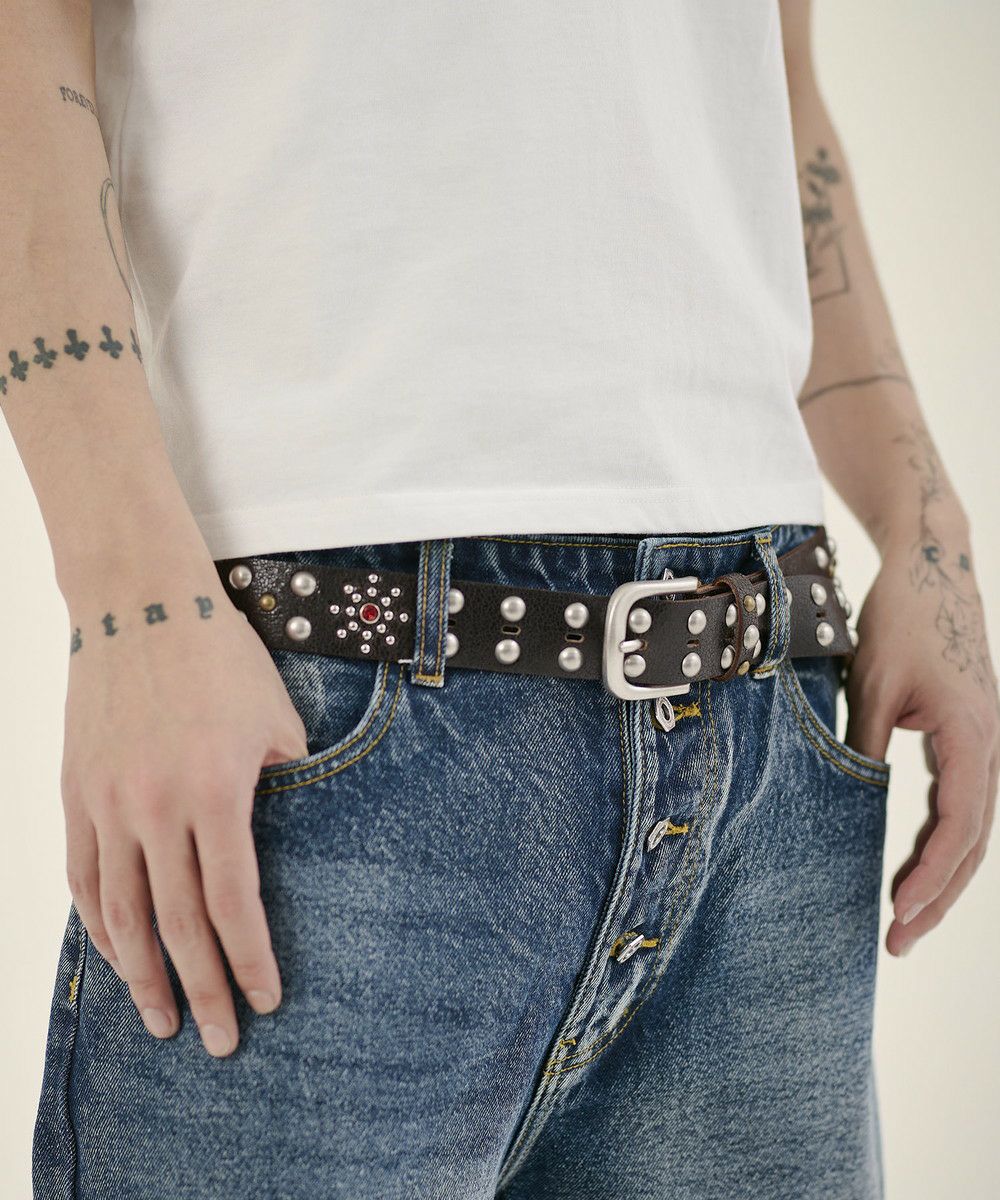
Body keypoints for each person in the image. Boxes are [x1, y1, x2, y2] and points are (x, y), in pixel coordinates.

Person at [6, 2, 996, 1197]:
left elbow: (772, 81)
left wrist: (928, 530)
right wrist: (128, 594)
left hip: (763, 710)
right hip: (324, 696)